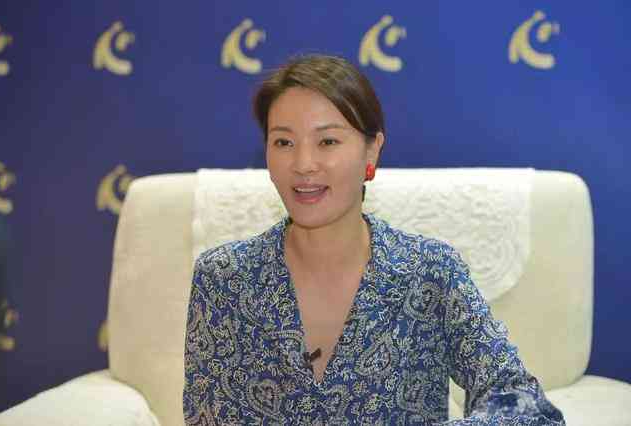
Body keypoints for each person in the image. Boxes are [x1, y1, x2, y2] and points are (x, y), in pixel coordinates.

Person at [183, 53, 565, 425]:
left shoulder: (430, 272)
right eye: (284, 142)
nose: (303, 164)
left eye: (327, 142)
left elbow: (526, 406)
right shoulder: (224, 279)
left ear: (372, 150)